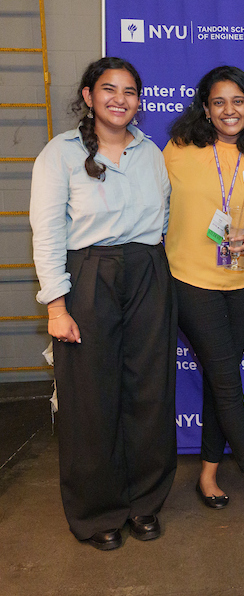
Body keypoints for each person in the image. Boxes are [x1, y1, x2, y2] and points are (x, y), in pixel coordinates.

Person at [29, 57, 176, 550]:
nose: (120, 99)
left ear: (139, 101)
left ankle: (145, 503)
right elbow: (47, 233)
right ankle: (98, 512)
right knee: (90, 399)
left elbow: (165, 218)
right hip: (89, 277)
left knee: (149, 392)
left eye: (130, 91)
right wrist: (56, 306)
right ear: (89, 96)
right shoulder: (60, 153)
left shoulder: (151, 152)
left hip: (149, 274)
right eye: (109, 89)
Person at [164, 65, 244, 518]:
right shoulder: (178, 151)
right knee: (227, 381)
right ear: (205, 109)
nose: (228, 110)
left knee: (222, 380)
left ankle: (208, 473)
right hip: (190, 280)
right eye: (218, 102)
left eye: (238, 101)